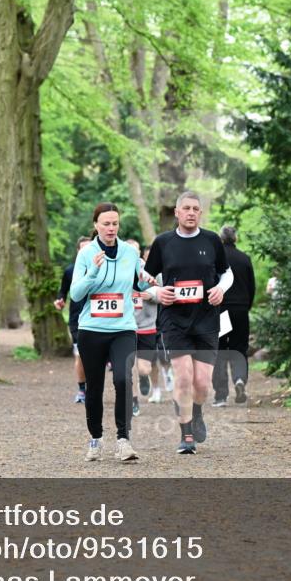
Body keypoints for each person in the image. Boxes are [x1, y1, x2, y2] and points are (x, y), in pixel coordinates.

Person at [144, 191, 232, 455]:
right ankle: (186, 436)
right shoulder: (163, 243)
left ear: (200, 213)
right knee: (183, 378)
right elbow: (143, 281)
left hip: (206, 320)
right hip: (174, 321)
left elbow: (227, 274)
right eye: (186, 208)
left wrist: (221, 290)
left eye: (196, 208)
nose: (191, 212)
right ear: (177, 212)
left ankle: (196, 413)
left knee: (202, 384)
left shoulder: (212, 240)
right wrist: (158, 293)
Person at [70, 203, 150, 462]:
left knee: (122, 380)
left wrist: (146, 280)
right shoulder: (86, 254)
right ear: (95, 225)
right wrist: (93, 271)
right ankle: (95, 439)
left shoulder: (129, 252)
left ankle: (124, 440)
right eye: (106, 223)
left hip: (123, 328)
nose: (111, 228)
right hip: (91, 329)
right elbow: (76, 294)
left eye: (115, 223)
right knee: (94, 387)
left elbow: (139, 281)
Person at [212, 226, 255, 407]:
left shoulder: (216, 259)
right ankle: (239, 379)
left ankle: (221, 395)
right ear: (235, 239)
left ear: (221, 239)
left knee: (220, 349)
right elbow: (251, 286)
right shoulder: (245, 259)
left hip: (221, 309)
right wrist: (246, 306)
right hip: (241, 310)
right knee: (239, 348)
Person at [54, 236, 91, 403]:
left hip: (99, 318)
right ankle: (82, 390)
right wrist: (60, 300)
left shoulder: (103, 269)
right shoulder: (70, 271)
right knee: (81, 355)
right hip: (77, 319)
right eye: (82, 249)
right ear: (77, 251)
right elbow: (62, 292)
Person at [128, 240, 157, 417]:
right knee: (126, 368)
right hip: (125, 327)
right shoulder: (118, 270)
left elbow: (163, 292)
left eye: (135, 251)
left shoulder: (150, 271)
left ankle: (144, 377)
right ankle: (133, 401)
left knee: (144, 368)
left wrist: (150, 295)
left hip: (147, 326)